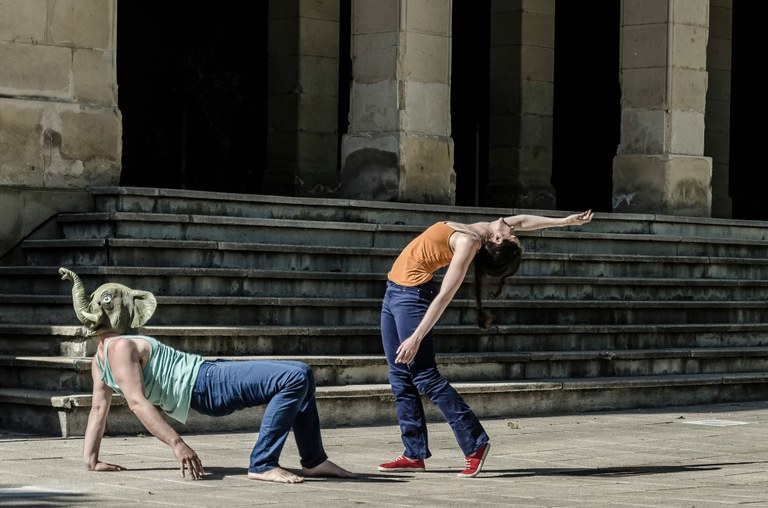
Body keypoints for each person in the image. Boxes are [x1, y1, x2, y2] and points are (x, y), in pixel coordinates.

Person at [58, 267, 356, 484]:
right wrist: (178, 445)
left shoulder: (99, 360)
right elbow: (136, 403)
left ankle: (314, 461)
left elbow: (99, 409)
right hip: (207, 383)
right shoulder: (121, 347)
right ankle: (263, 463)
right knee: (296, 376)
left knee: (299, 374)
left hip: (208, 377)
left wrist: (91, 461)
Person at [377, 210, 595, 478]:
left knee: (425, 376)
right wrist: (564, 222)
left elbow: (446, 294)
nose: (514, 230)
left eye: (513, 237)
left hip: (413, 298)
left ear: (498, 240)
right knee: (399, 374)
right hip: (393, 292)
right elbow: (524, 221)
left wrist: (417, 336)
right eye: (515, 234)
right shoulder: (483, 228)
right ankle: (414, 453)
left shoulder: (468, 243)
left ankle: (475, 444)